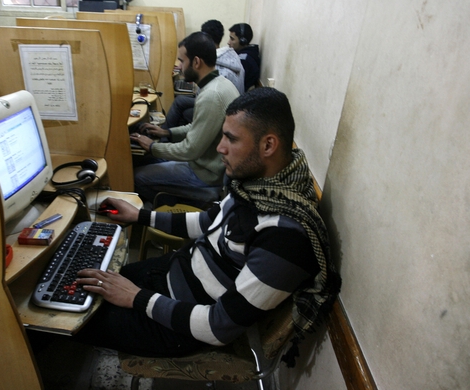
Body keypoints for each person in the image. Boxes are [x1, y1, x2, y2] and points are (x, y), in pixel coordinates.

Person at [73, 88, 342, 363]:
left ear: (268, 146)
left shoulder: (285, 238)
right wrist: (141, 216)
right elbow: (208, 222)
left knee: (69, 318)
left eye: (231, 139)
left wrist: (136, 297)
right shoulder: (260, 187)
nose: (220, 148)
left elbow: (217, 326)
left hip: (179, 324)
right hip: (174, 274)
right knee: (78, 281)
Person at [131, 31, 240, 205]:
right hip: (205, 163)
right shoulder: (219, 84)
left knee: (137, 176)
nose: (179, 67)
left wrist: (152, 146)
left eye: (182, 61)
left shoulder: (211, 95)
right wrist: (167, 132)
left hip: (205, 174)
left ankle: (163, 210)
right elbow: (199, 126)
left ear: (196, 62)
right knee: (144, 159)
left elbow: (189, 150)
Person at [163, 19, 245, 130]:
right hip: (230, 109)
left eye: (182, 61)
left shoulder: (217, 68)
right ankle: (166, 133)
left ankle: (165, 134)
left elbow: (208, 98)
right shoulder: (232, 57)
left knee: (182, 107)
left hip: (221, 112)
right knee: (181, 101)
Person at [228, 23, 261, 91]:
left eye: (232, 39)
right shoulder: (249, 54)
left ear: (243, 41)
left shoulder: (244, 61)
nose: (228, 42)